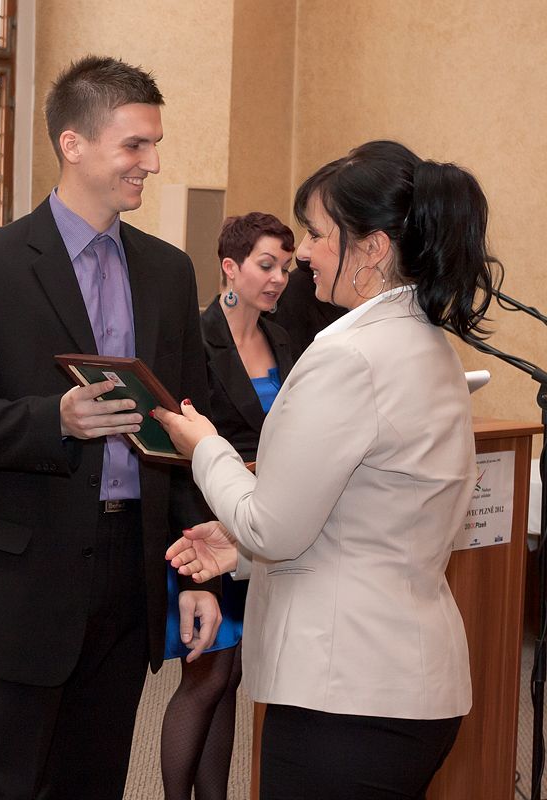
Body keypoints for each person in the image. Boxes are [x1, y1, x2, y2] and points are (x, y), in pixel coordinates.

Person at [0, 55, 221, 800]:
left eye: (154, 144)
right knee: (0, 784)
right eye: (134, 145)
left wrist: (194, 572)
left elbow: (186, 429)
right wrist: (51, 419)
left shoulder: (169, 272)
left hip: (133, 567)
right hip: (25, 574)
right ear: (73, 143)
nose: (151, 163)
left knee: (93, 782)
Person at [156, 139, 495, 799]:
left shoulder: (349, 356)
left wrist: (205, 448)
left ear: (372, 248)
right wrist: (240, 550)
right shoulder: (427, 344)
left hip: (345, 695)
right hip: (407, 683)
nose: (304, 254)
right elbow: (369, 515)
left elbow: (275, 527)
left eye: (315, 234)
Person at [160, 212, 294, 800]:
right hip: (205, 528)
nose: (279, 278)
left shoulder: (284, 339)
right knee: (205, 677)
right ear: (230, 268)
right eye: (267, 265)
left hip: (259, 528)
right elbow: (178, 452)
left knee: (231, 676)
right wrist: (200, 546)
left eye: (285, 267)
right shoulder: (196, 337)